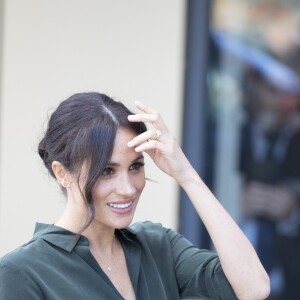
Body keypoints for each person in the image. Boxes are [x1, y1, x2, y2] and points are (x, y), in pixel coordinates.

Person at [0, 92, 269, 299]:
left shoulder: (158, 246)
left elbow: (253, 288)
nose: (128, 188)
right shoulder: (22, 272)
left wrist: (186, 175)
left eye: (135, 167)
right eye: (106, 171)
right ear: (62, 173)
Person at [239, 67, 300, 299]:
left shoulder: (296, 140)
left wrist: (294, 212)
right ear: (254, 90)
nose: (280, 102)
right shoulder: (226, 136)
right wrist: (229, 204)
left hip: (288, 284)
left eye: (289, 94)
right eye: (272, 91)